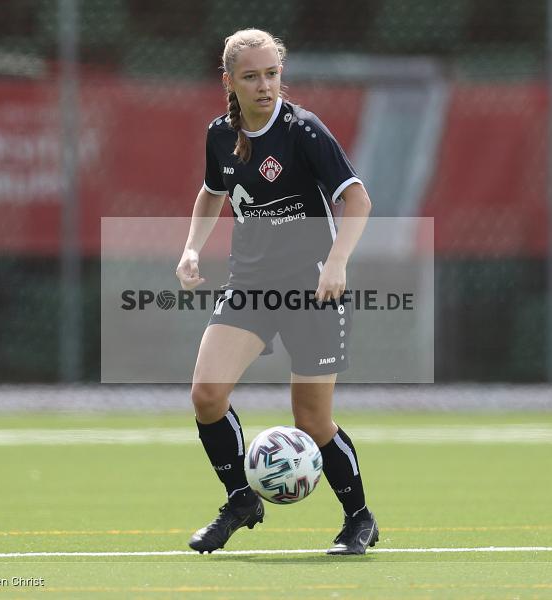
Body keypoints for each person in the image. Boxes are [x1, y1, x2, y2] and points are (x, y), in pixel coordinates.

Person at [175, 28, 376, 555]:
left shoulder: (304, 130)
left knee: (311, 419)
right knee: (206, 394)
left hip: (313, 289)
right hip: (251, 286)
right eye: (251, 76)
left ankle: (359, 518)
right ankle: (241, 500)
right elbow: (211, 192)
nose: (265, 86)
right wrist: (192, 247)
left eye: (272, 74)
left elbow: (357, 200)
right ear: (229, 81)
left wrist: (336, 263)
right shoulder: (220, 134)